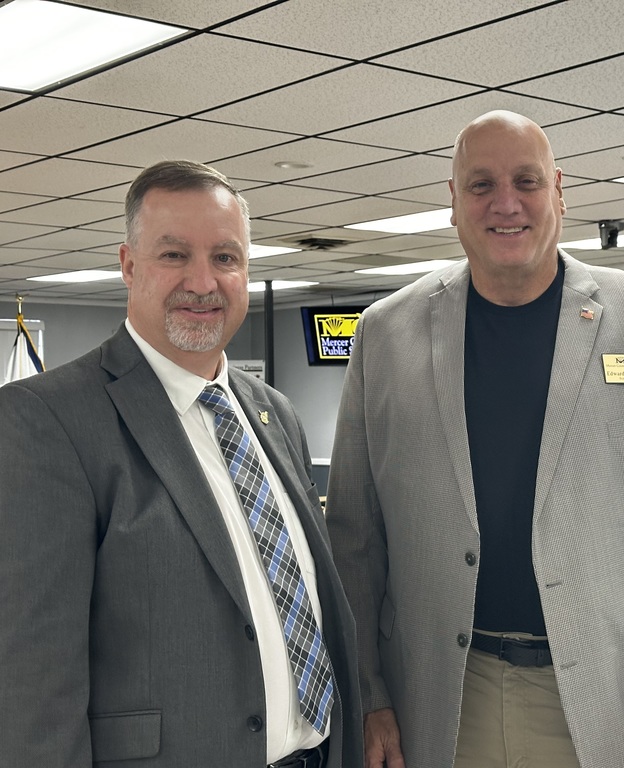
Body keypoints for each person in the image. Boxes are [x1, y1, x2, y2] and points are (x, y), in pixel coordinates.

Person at [325, 110, 624, 768]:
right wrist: (368, 697)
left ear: (560, 193)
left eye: (527, 181)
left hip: (611, 706)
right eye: (481, 185)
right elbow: (354, 543)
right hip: (439, 702)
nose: (505, 203)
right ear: (452, 202)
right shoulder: (385, 334)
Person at [0, 160, 362, 768]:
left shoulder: (275, 414)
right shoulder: (45, 420)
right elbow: (32, 680)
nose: (203, 281)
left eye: (225, 257)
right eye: (174, 255)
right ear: (128, 264)